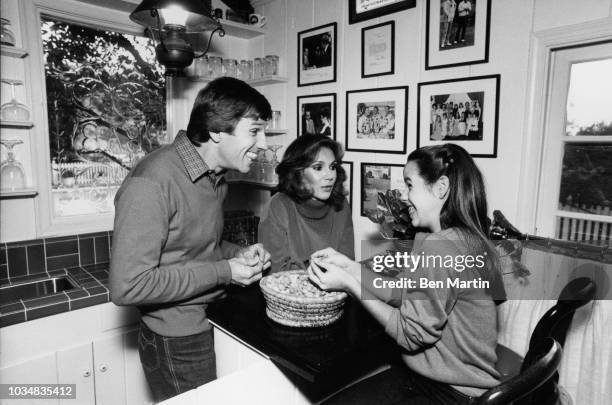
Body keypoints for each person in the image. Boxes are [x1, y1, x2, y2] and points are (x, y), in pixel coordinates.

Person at [109, 77, 272, 403]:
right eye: (254, 131)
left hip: (208, 317)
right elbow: (127, 286)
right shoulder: (152, 181)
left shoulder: (215, 178)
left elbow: (199, 247)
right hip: (175, 339)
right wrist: (226, 271)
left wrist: (238, 254)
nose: (264, 143)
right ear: (216, 131)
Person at [307, 143, 505, 404]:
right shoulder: (466, 238)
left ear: (441, 188)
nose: (404, 195)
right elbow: (401, 292)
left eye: (410, 185)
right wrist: (350, 267)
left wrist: (350, 286)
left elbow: (409, 334)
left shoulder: (440, 247)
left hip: (453, 392)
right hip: (438, 378)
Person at [259, 135, 354, 273]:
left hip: (338, 292)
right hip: (288, 292)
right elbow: (276, 274)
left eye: (332, 166)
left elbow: (348, 264)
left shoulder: (341, 204)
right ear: (298, 173)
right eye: (318, 167)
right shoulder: (278, 205)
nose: (330, 175)